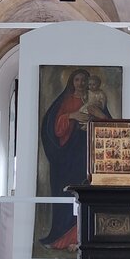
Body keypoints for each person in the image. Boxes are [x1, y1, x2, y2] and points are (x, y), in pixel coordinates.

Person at [39, 68, 112, 249]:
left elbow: (110, 127)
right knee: (68, 192)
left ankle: (86, 238)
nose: (81, 83)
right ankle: (63, 238)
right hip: (68, 156)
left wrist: (99, 115)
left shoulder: (94, 100)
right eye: (77, 79)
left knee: (89, 192)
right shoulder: (65, 101)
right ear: (72, 82)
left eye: (84, 80)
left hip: (89, 154)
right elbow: (54, 129)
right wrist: (71, 116)